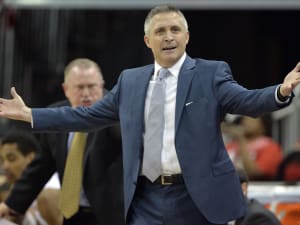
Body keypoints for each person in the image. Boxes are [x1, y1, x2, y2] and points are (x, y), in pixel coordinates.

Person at [0, 4, 300, 225]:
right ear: (148, 41)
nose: (168, 36)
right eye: (160, 31)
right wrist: (30, 115)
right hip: (145, 198)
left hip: (196, 195)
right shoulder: (130, 80)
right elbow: (85, 117)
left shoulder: (211, 73)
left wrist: (281, 91)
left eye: (174, 30)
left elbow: (246, 101)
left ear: (186, 37)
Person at [0, 58, 124, 225]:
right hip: (72, 214)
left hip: (112, 216)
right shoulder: (55, 116)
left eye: (92, 86)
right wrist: (12, 203)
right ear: (66, 89)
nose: (86, 94)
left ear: (102, 86)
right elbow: (42, 166)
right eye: (80, 87)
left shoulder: (118, 114)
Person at [0, 130, 62, 225]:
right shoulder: (15, 191)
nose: (5, 166)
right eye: (2, 160)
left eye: (11, 159)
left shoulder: (49, 194)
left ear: (31, 158)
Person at [223, 115, 283, 180]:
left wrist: (241, 139)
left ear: (263, 124)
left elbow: (254, 173)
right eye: (245, 118)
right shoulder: (231, 146)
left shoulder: (271, 147)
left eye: (252, 118)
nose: (246, 121)